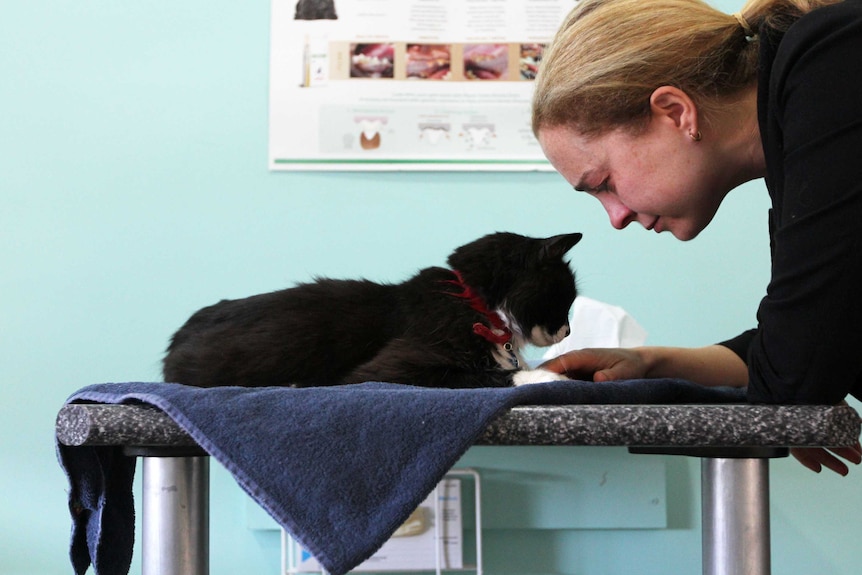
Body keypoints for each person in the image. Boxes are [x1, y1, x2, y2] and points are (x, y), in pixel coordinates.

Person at [532, 0, 862, 475]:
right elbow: (801, 341)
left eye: (604, 183)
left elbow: (796, 376)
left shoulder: (833, 61)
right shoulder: (803, 113)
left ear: (675, 111)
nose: (616, 217)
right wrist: (647, 362)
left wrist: (793, 389)